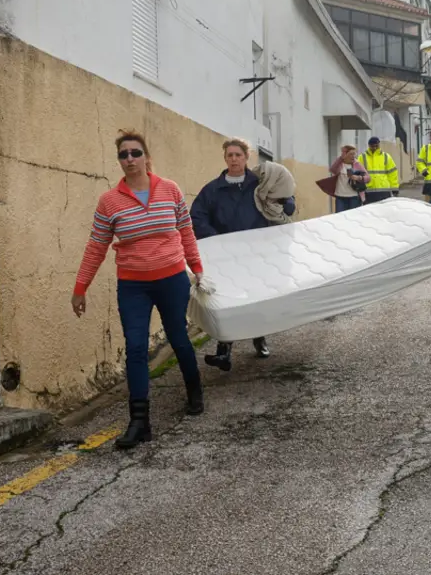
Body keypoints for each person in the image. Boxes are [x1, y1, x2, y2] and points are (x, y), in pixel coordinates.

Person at [71, 130, 205, 449]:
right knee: (134, 348)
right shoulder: (109, 201)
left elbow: (186, 231)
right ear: (119, 161)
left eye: (135, 153)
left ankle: (195, 390)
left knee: (178, 337)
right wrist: (80, 287)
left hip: (172, 279)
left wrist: (197, 268)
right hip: (133, 285)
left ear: (146, 156)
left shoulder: (170, 190)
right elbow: (96, 246)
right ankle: (139, 422)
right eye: (123, 155)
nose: (129, 159)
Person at [190, 138, 296, 371]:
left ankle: (259, 338)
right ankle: (224, 351)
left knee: (257, 297)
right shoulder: (212, 189)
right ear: (225, 158)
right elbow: (196, 215)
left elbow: (285, 202)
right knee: (228, 300)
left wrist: (286, 202)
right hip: (226, 256)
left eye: (238, 155)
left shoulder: (260, 183)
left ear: (247, 158)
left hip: (258, 253)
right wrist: (216, 237)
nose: (234, 159)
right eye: (230, 155)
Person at [359, 136, 399, 204]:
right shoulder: (362, 157)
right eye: (372, 146)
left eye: (376, 146)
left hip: (384, 191)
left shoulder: (386, 157)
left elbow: (392, 174)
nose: (374, 148)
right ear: (369, 145)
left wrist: (394, 188)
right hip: (368, 191)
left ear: (379, 145)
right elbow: (358, 173)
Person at [329, 145, 368, 212]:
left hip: (354, 197)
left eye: (354, 154)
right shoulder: (340, 164)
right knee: (340, 218)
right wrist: (341, 158)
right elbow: (332, 170)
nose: (353, 156)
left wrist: (359, 177)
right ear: (345, 155)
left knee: (353, 218)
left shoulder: (357, 164)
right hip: (340, 196)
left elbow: (368, 178)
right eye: (351, 154)